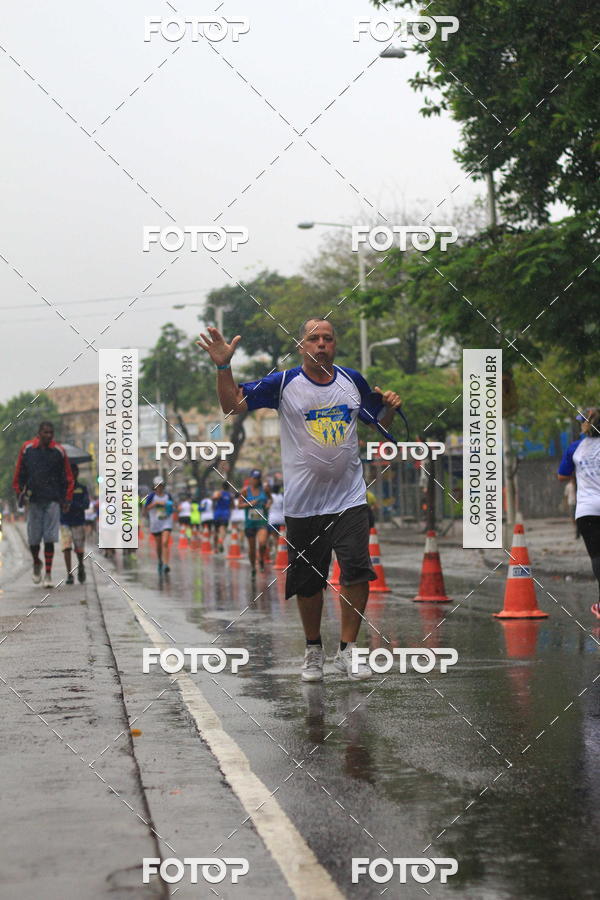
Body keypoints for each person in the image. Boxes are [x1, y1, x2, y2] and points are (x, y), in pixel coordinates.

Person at [197, 317, 401, 681]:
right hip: (304, 505)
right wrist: (223, 366)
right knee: (308, 582)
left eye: (327, 338)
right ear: (301, 346)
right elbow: (233, 404)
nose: (321, 344)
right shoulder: (284, 384)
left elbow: (377, 419)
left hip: (350, 498)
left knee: (356, 570)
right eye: (313, 338)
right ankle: (313, 650)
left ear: (334, 345)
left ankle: (349, 651)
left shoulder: (351, 380)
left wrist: (388, 404)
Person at [13, 421, 74, 588]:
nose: (49, 436)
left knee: (49, 538)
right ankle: (36, 562)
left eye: (51, 433)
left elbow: (67, 477)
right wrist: (19, 492)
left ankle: (48, 574)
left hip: (53, 500)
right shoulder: (27, 449)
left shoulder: (59, 451)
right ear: (39, 433)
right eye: (46, 432)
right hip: (33, 500)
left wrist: (67, 499)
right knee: (33, 539)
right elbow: (19, 472)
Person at [558, 407, 600, 619]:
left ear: (587, 425)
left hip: (587, 510)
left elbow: (562, 476)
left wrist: (581, 469)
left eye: (581, 422)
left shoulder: (575, 448)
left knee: (597, 555)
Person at [60, 463, 89, 584]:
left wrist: (72, 504)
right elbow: (59, 503)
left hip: (78, 521)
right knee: (66, 548)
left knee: (79, 548)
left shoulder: (82, 488)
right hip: (65, 521)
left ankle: (81, 565)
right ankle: (69, 574)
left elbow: (86, 505)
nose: (73, 474)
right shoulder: (62, 489)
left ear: (77, 473)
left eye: (74, 472)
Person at [240, 470, 269, 575]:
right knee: (252, 549)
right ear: (250, 479)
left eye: (257, 478)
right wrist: (249, 504)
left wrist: (268, 505)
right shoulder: (245, 491)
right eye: (254, 478)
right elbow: (239, 505)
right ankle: (253, 567)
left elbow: (270, 499)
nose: (255, 480)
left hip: (262, 522)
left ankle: (261, 558)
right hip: (250, 524)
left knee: (262, 543)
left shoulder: (264, 490)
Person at [145, 476, 174, 574]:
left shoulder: (168, 495)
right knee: (159, 545)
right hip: (155, 523)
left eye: (161, 486)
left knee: (165, 542)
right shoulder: (151, 497)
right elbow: (145, 509)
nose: (159, 488)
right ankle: (160, 561)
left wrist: (170, 508)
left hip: (166, 521)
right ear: (154, 486)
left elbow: (173, 507)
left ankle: (166, 564)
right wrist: (155, 504)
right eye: (158, 486)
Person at [212, 484, 233, 552]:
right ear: (228, 487)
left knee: (216, 531)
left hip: (217, 514)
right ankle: (220, 541)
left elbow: (214, 498)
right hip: (225, 514)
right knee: (223, 529)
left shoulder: (219, 493)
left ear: (222, 487)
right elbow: (232, 506)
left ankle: (215, 548)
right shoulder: (230, 495)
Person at [268, 482, 285, 554]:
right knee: (281, 537)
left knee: (275, 537)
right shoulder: (282, 497)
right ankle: (281, 551)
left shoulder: (270, 497)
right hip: (282, 520)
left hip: (272, 519)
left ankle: (277, 552)